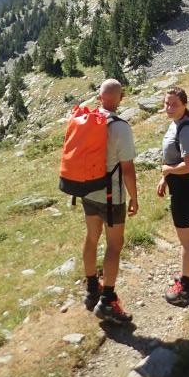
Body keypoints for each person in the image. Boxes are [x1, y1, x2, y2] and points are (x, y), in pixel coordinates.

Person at [81, 78, 138, 324]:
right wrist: (134, 197)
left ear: (99, 98)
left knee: (91, 238)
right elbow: (128, 169)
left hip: (88, 190)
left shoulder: (88, 121)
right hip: (111, 195)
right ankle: (107, 301)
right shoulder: (120, 127)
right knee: (115, 244)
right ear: (121, 98)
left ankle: (91, 289)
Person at [156, 87, 189, 306]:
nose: (169, 108)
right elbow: (173, 157)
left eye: (174, 104)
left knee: (187, 241)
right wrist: (165, 177)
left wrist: (168, 171)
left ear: (185, 104)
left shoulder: (185, 129)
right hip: (185, 188)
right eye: (166, 103)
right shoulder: (177, 123)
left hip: (186, 191)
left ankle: (186, 289)